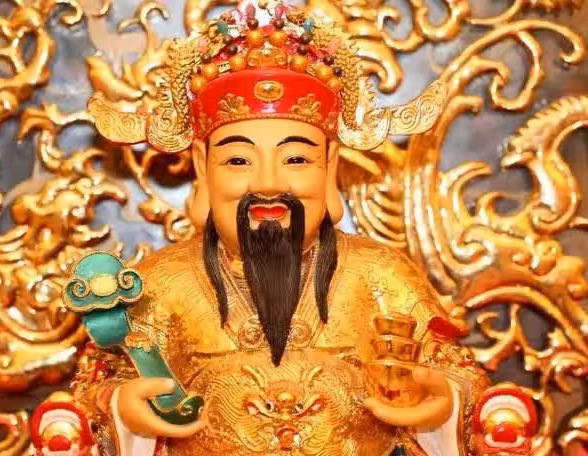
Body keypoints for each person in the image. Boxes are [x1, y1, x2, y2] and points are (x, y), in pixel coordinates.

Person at [35, 1, 539, 454]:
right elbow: (95, 386)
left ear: (331, 164)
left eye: (296, 158)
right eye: (238, 161)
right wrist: (120, 407)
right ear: (202, 167)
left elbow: (460, 377)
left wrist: (444, 401)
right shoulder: (159, 286)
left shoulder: (383, 277)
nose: (269, 185)